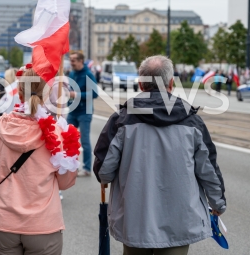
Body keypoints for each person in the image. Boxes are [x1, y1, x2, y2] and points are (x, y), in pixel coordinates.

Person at [93, 55, 226, 255]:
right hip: (180, 220)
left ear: (140, 84)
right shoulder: (192, 121)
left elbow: (104, 172)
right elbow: (208, 169)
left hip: (135, 220)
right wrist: (218, 203)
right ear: (171, 83)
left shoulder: (122, 119)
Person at [0, 68, 77, 255]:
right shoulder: (58, 133)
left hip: (1, 220)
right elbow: (66, 181)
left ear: (19, 92)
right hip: (43, 225)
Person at [67, 51, 98, 177]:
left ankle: (86, 168)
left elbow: (95, 94)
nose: (71, 62)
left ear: (81, 61)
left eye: (73, 60)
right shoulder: (72, 73)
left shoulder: (89, 75)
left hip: (85, 112)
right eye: (70, 60)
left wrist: (77, 95)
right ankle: (70, 165)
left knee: (84, 141)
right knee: (68, 139)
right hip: (73, 111)